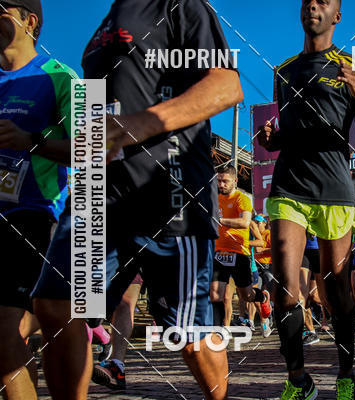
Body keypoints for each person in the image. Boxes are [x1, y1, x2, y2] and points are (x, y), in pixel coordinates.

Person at [30, 1, 243, 399]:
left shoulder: (181, 7)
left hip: (168, 194)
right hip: (98, 195)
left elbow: (226, 86)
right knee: (56, 304)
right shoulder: (105, 24)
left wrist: (135, 126)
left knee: (189, 335)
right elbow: (99, 124)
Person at [257, 0, 355, 396]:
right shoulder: (284, 70)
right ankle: (298, 380)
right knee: (284, 287)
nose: (313, 4)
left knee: (336, 290)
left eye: (323, 1)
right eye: (307, 0)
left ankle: (345, 375)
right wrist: (273, 139)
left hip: (334, 188)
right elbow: (290, 131)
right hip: (290, 185)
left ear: (337, 16)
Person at [0, 1, 76, 398]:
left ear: (29, 21)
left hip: (32, 216)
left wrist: (30, 141)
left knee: (5, 333)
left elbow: (94, 148)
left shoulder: (61, 76)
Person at [210, 165, 271, 327]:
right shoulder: (215, 199)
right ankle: (218, 330)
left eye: (225, 181)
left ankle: (263, 297)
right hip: (219, 253)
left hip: (239, 253)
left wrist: (219, 221)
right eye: (219, 181)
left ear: (235, 181)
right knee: (216, 295)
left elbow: (244, 222)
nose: (221, 184)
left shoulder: (241, 199)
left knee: (247, 296)